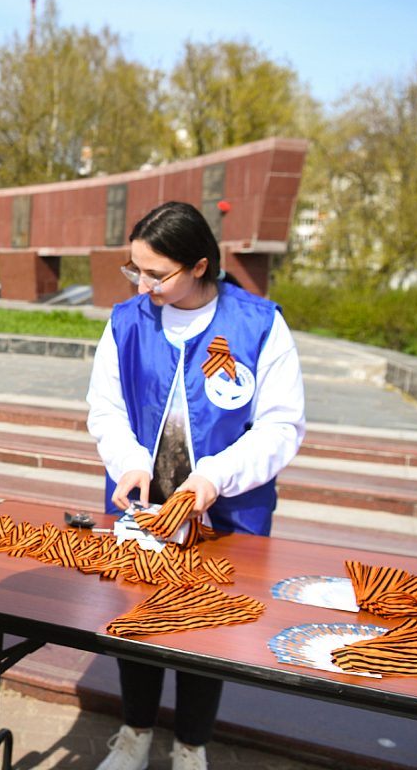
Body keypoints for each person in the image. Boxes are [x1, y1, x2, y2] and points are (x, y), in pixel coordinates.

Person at [85, 201, 306, 770]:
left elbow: (282, 424)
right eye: (135, 270)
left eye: (157, 274)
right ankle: (134, 734)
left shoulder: (259, 324)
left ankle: (191, 745)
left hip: (227, 512)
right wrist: (129, 460)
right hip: (143, 505)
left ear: (201, 265)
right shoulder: (127, 321)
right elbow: (106, 409)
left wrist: (214, 475)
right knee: (138, 621)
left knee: (207, 630)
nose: (145, 285)